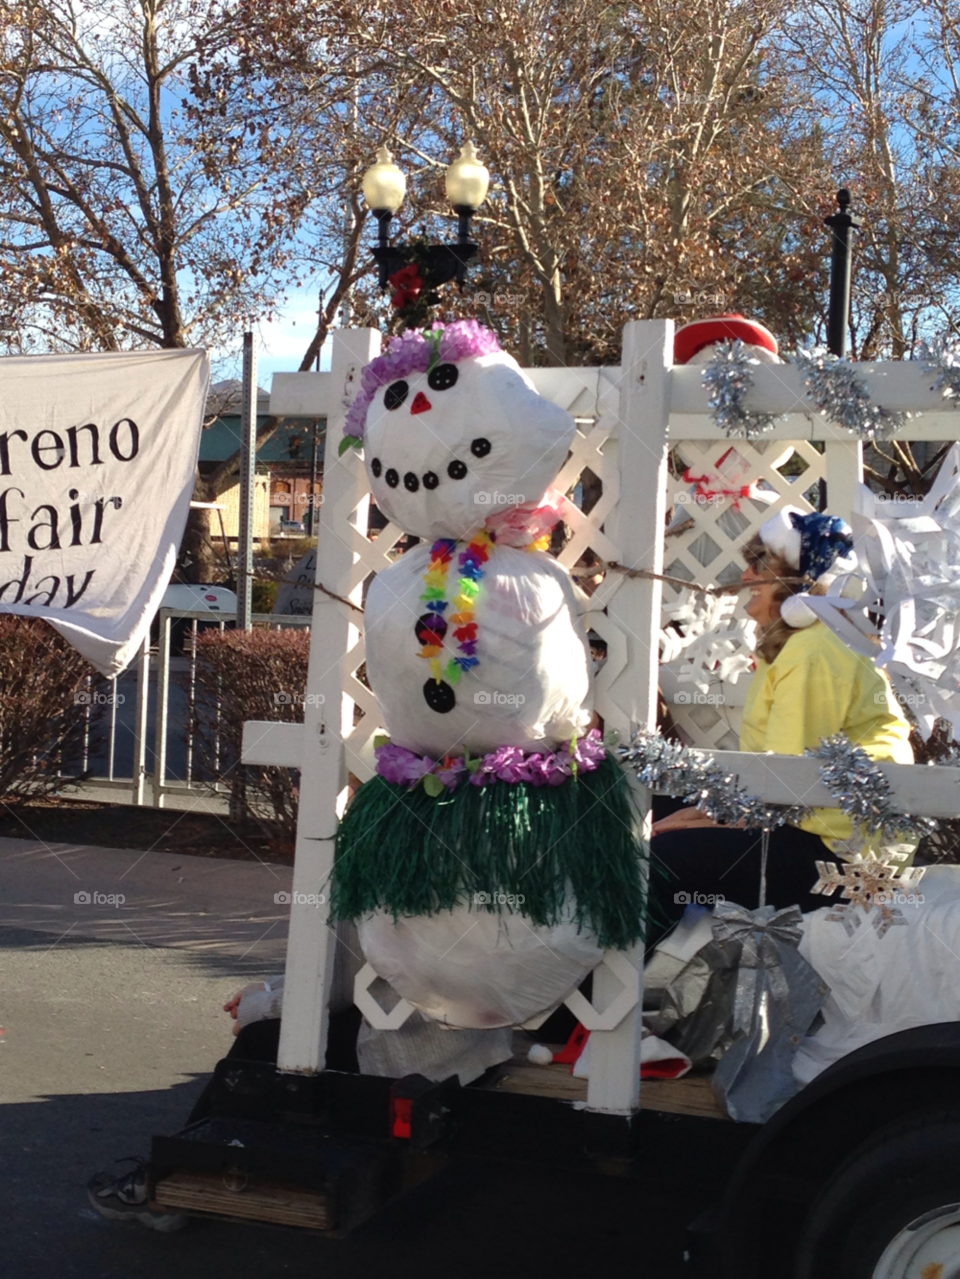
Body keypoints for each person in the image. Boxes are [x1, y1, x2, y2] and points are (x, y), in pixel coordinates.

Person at [648, 506, 915, 943]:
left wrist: (700, 820)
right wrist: (701, 814)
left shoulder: (814, 651)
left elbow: (787, 782)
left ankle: (599, 1000)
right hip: (813, 827)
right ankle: (599, 993)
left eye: (760, 566)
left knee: (663, 857)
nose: (746, 575)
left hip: (844, 859)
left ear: (798, 587)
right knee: (645, 810)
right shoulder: (800, 646)